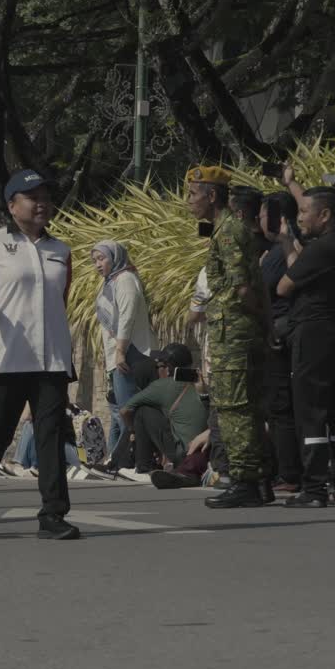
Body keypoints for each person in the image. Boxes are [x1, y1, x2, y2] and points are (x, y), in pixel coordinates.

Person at [0, 169, 79, 540]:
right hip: (6, 357)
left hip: (51, 360)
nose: (42, 204)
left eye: (46, 197)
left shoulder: (61, 251)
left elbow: (59, 301)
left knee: (51, 436)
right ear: (12, 206)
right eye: (32, 197)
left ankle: (53, 515)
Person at [185, 166, 270, 508]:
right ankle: (258, 480)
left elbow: (243, 289)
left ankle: (245, 481)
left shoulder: (228, 231)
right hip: (236, 331)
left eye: (193, 194)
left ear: (212, 196)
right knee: (246, 407)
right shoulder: (229, 229)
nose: (189, 201)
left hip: (233, 333)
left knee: (235, 410)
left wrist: (255, 319)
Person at [275, 187, 335, 507]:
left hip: (313, 336)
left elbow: (284, 286)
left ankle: (313, 489)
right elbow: (302, 270)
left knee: (310, 412)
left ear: (324, 215)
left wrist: (288, 246)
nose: (300, 218)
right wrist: (288, 243)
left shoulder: (322, 247)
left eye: (304, 212)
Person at [92, 240, 155, 458]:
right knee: (120, 411)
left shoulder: (125, 279)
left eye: (102, 258)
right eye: (94, 260)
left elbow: (127, 316)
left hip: (131, 353)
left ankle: (132, 458)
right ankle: (117, 458)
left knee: (128, 411)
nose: (97, 264)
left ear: (115, 257)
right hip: (119, 354)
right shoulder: (111, 282)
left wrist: (120, 351)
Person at [259, 192, 301, 492]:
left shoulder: (278, 254)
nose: (260, 221)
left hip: (279, 332)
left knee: (280, 405)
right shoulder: (286, 250)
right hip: (286, 330)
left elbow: (264, 290)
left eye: (264, 215)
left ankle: (288, 473)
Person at [121, 343, 208, 479]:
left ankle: (144, 468)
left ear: (168, 368)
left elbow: (124, 411)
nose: (157, 370)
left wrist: (133, 430)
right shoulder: (202, 386)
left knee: (143, 411)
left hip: (183, 454)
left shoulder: (162, 386)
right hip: (204, 453)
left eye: (159, 366)